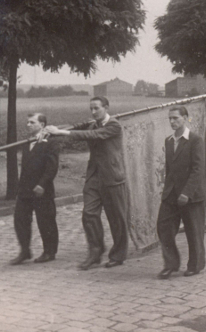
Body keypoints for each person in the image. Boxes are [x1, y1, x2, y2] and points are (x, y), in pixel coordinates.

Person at [45, 96, 128, 270]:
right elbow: (75, 128)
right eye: (91, 108)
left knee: (116, 218)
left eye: (96, 108)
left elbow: (91, 135)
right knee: (89, 214)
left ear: (106, 107)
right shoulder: (92, 123)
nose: (93, 111)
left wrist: (61, 132)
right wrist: (51, 130)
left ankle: (118, 254)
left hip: (112, 177)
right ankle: (95, 252)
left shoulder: (114, 125)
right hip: (94, 177)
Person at [156, 106, 206, 280]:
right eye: (170, 118)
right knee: (163, 227)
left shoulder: (195, 140)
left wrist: (187, 192)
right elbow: (169, 170)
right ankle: (171, 264)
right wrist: (167, 191)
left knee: (194, 231)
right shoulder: (169, 141)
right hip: (171, 194)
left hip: (191, 195)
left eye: (176, 118)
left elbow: (198, 169)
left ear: (185, 118)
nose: (172, 121)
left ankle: (195, 264)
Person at [11, 113, 60, 265]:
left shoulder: (50, 141)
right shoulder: (28, 142)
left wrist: (42, 184)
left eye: (32, 122)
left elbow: (52, 167)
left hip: (41, 189)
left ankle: (49, 252)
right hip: (25, 190)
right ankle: (25, 251)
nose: (28, 125)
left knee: (45, 220)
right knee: (20, 219)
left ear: (42, 124)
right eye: (27, 123)